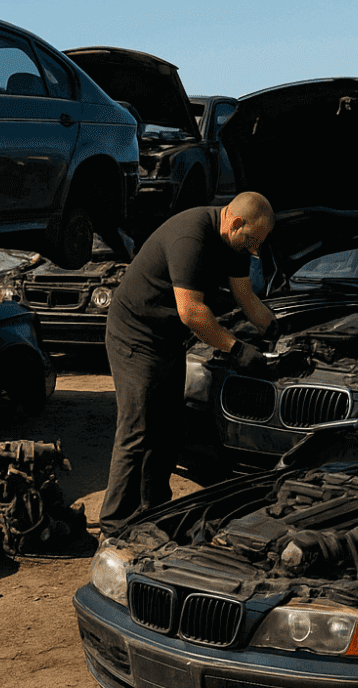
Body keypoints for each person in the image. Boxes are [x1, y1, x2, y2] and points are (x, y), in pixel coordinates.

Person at [98, 192, 278, 537]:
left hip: (167, 337)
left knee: (168, 427)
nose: (253, 250)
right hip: (135, 333)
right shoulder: (192, 236)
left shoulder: (236, 243)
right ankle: (114, 526)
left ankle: (155, 511)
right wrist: (236, 349)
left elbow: (246, 297)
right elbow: (192, 312)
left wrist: (272, 327)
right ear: (236, 223)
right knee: (139, 429)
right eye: (253, 242)